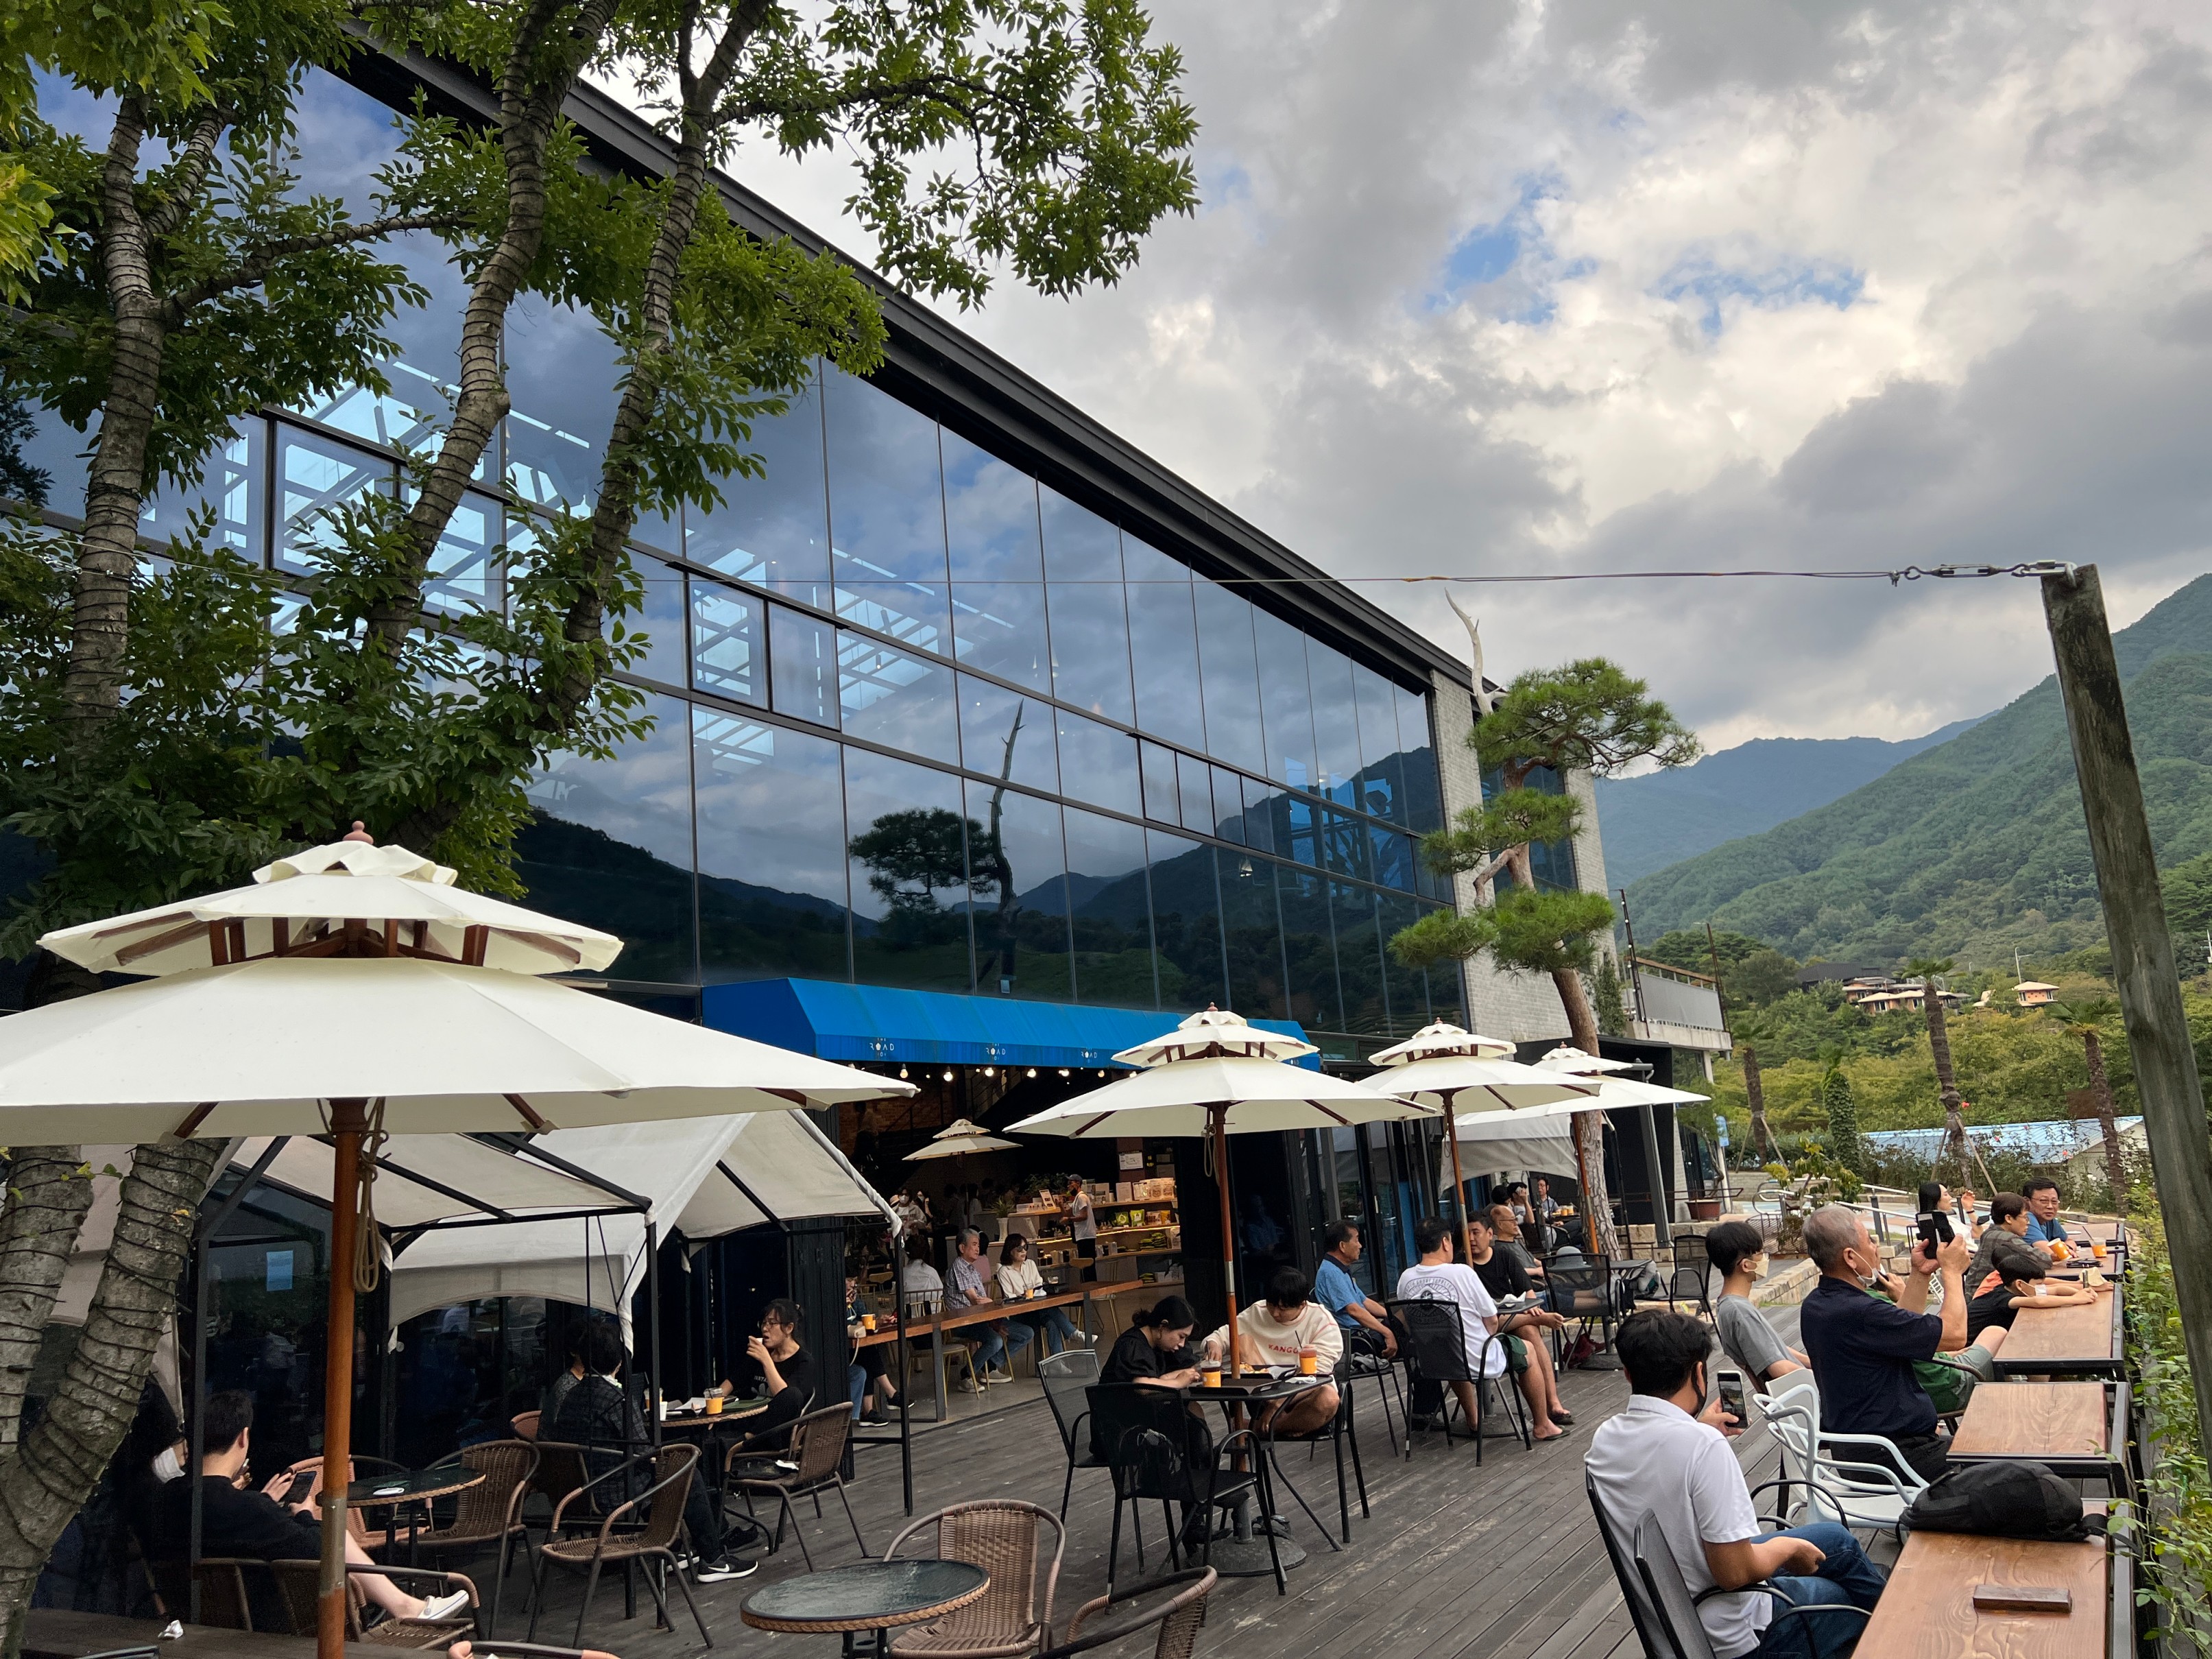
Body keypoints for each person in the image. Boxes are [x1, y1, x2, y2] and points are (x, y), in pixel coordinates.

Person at [1586, 1311, 1886, 1659]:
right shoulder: (1702, 1448)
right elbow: (1735, 1573)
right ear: (1699, 1373)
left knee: (1836, 1541)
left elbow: (1660, 1461)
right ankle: (1900, 1629)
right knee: (1846, 1600)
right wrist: (1787, 1549)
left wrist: (1700, 1428)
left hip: (1680, 1613)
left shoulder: (1605, 1441)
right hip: (1737, 1633)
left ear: (1628, 1373)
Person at [150, 1390, 474, 1630]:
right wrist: (303, 1513)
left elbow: (222, 1520)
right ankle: (404, 1605)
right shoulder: (248, 1509)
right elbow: (318, 1550)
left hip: (198, 1626)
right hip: (275, 1628)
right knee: (335, 1534)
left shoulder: (165, 1501)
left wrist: (261, 1502)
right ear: (243, 1439)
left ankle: (405, 1605)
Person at [555, 1324, 755, 1582]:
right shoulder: (616, 1399)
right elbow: (644, 1452)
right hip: (614, 1493)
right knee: (687, 1472)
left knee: (665, 1472)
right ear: (619, 1361)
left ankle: (673, 1548)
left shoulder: (571, 1396)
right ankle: (713, 1558)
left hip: (579, 1493)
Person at [1798, 1204, 1969, 1481]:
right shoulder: (1859, 1312)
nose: (1876, 1248)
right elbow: (1955, 1334)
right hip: (1894, 1459)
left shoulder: (1818, 1304)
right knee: (2013, 1463)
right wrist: (1952, 1272)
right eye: (1870, 1241)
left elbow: (1898, 1328)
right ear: (1851, 1257)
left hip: (1858, 1455)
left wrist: (1920, 1273)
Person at [1395, 1216, 1565, 1443]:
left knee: (1450, 1345)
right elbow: (1492, 1320)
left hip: (1432, 1362)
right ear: (1445, 1242)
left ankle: (1473, 1419)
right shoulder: (1462, 1273)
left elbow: (1408, 1322)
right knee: (1528, 1350)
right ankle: (1543, 1424)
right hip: (1477, 1359)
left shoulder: (1405, 1279)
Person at [1199, 1267, 1342, 1435]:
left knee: (1329, 1399)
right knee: (1241, 1341)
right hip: (1264, 1392)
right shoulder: (1258, 1312)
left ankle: (1261, 1429)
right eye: (1271, 1305)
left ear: (1302, 1305)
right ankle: (1285, 1426)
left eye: (1283, 1309)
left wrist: (1279, 1402)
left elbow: (1319, 1374)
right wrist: (1213, 1346)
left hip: (1304, 1395)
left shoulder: (1321, 1321)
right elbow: (1219, 1336)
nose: (1275, 1313)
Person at [1468, 1207, 1574, 1427]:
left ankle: (1553, 1402)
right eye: (1466, 1234)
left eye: (1475, 1232)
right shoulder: (1462, 1265)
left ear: (1490, 1233)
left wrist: (1533, 1308)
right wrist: (1535, 1316)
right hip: (1481, 1326)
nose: (1470, 1239)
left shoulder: (1504, 1256)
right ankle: (1536, 1320)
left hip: (1509, 1318)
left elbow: (1528, 1292)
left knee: (1530, 1332)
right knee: (1529, 1323)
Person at [1965, 1194, 2095, 1337]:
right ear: (2009, 1219)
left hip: (1973, 1297)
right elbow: (2041, 1261)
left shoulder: (1991, 1233)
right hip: (1977, 1301)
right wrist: (2075, 1297)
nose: (2028, 1223)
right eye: (2025, 1217)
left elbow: (2049, 1287)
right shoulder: (2005, 1239)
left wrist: (2079, 1288)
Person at [1708, 1220, 1807, 1389]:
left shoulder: (1728, 1305)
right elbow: (1779, 1368)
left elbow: (1774, 1349)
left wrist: (1816, 1364)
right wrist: (1824, 1378)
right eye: (1761, 1255)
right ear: (1746, 1266)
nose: (1765, 1259)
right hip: (1799, 1395)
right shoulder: (1740, 1312)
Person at [1313, 1220, 1405, 1360]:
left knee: (1409, 1316)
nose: (1360, 1246)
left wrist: (1391, 1316)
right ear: (1342, 1246)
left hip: (1365, 1332)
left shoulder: (1339, 1269)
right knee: (1412, 1319)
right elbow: (1354, 1311)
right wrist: (1387, 1333)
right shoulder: (1331, 1273)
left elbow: (1365, 1301)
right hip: (1358, 1339)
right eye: (1356, 1240)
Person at [951, 1227, 1033, 1383]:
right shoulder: (959, 1267)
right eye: (974, 1245)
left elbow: (984, 1302)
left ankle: (990, 1367)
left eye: (978, 1245)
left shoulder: (972, 1269)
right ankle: (967, 1375)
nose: (978, 1248)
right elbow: (977, 1301)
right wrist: (993, 1313)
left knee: (1026, 1332)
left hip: (981, 1319)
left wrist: (994, 1321)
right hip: (964, 1321)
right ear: (962, 1248)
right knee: (996, 1341)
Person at [998, 1234, 1083, 1354]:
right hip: (1020, 1313)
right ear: (1010, 1251)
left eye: (1025, 1247)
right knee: (1049, 1309)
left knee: (1052, 1322)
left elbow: (1039, 1286)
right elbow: (1010, 1297)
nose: (1024, 1251)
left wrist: (1031, 1294)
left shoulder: (1030, 1264)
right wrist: (1027, 1295)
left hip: (1038, 1309)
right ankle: (1072, 1333)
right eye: (1019, 1249)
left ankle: (1058, 1360)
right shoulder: (1004, 1271)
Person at [1101, 1296, 1204, 1389]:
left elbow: (1189, 1367)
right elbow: (1143, 1386)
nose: (1182, 1344)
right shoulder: (1132, 1345)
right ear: (1163, 1326)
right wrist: (1178, 1383)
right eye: (1181, 1336)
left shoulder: (1164, 1344)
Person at [844, 1276, 901, 1424]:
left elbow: (864, 1318)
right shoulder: (833, 1301)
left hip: (857, 1348)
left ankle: (869, 1411)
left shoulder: (855, 1299)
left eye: (854, 1282)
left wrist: (879, 1321)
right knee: (867, 1353)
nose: (852, 1285)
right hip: (842, 1351)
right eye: (849, 1281)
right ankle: (890, 1394)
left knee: (866, 1353)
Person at [1064, 1178, 1098, 1282]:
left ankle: (1090, 1288)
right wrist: (1061, 1205)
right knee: (1086, 1267)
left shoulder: (1081, 1197)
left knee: (1088, 1266)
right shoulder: (1077, 1199)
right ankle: (1089, 1288)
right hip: (1082, 1236)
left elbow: (1084, 1216)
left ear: (1078, 1183)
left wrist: (1069, 1220)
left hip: (1086, 1236)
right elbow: (1068, 1213)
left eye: (1071, 1183)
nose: (1068, 1186)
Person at [2021, 1177, 2069, 1249]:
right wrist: (2066, 1251)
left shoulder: (2047, 1218)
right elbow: (2048, 1251)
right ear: (2027, 1201)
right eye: (2044, 1201)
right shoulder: (2026, 1219)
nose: (2050, 1206)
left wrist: (2069, 1249)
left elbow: (2069, 1240)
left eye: (2054, 1201)